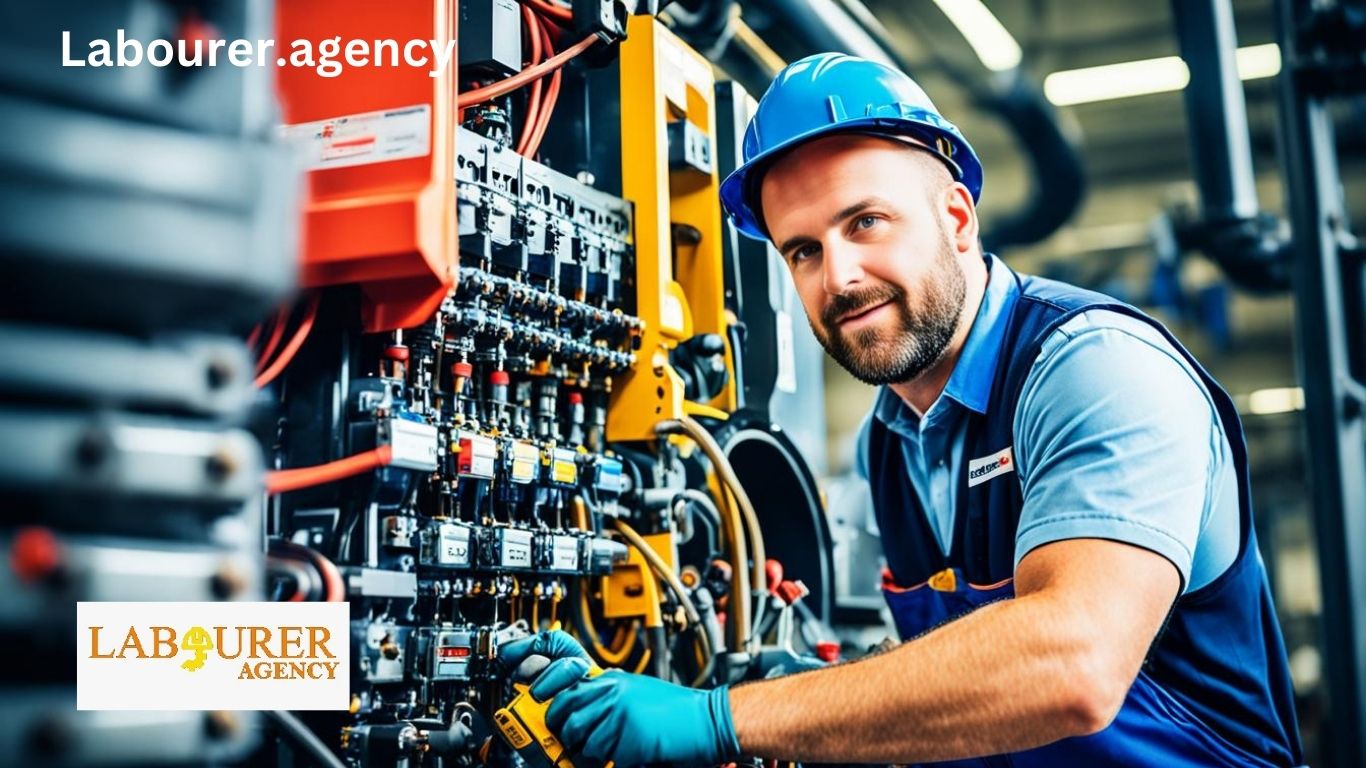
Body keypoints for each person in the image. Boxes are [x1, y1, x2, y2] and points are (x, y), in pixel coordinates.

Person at [502, 53, 1304, 767]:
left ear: (956, 218)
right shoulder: (888, 443)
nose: (839, 277)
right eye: (803, 250)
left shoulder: (1093, 368)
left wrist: (725, 719)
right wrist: (805, 698)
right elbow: (964, 692)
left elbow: (1073, 665)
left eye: (866, 222)